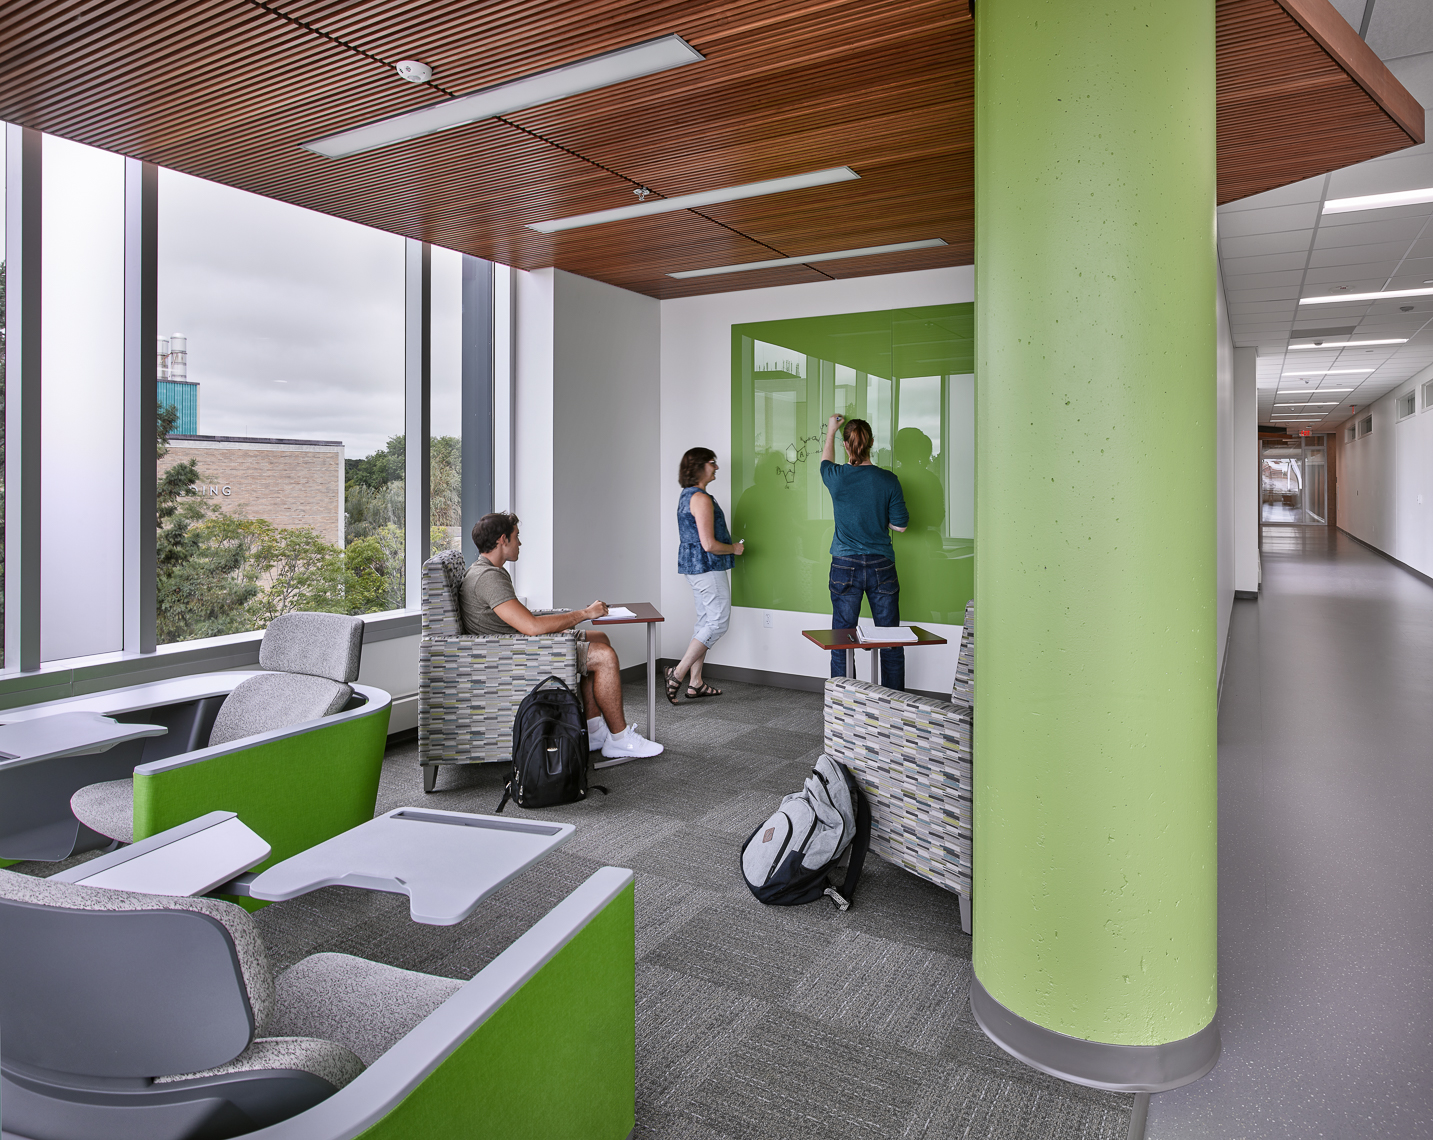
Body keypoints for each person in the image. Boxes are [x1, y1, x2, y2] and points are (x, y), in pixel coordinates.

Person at [459, 512, 662, 765]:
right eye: (516, 537)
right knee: (605, 656)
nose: (519, 543)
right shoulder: (488, 578)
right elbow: (531, 627)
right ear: (502, 540)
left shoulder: (487, 571)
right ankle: (620, 740)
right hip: (518, 653)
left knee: (600, 637)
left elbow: (522, 619)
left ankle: (595, 731)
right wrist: (585, 613)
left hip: (517, 641)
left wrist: (576, 620)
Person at [820, 414, 910, 690]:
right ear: (871, 443)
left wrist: (831, 430)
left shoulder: (836, 477)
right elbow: (901, 526)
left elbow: (825, 461)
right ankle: (895, 707)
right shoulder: (888, 480)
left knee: (841, 641)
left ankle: (845, 705)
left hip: (844, 566)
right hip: (882, 566)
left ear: (847, 445)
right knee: (890, 642)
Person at [667, 448, 744, 703]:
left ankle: (696, 682)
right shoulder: (700, 498)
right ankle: (678, 673)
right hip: (708, 566)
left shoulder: (686, 495)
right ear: (700, 466)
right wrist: (735, 548)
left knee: (704, 622)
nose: (717, 468)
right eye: (713, 463)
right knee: (718, 622)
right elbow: (709, 544)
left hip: (694, 568)